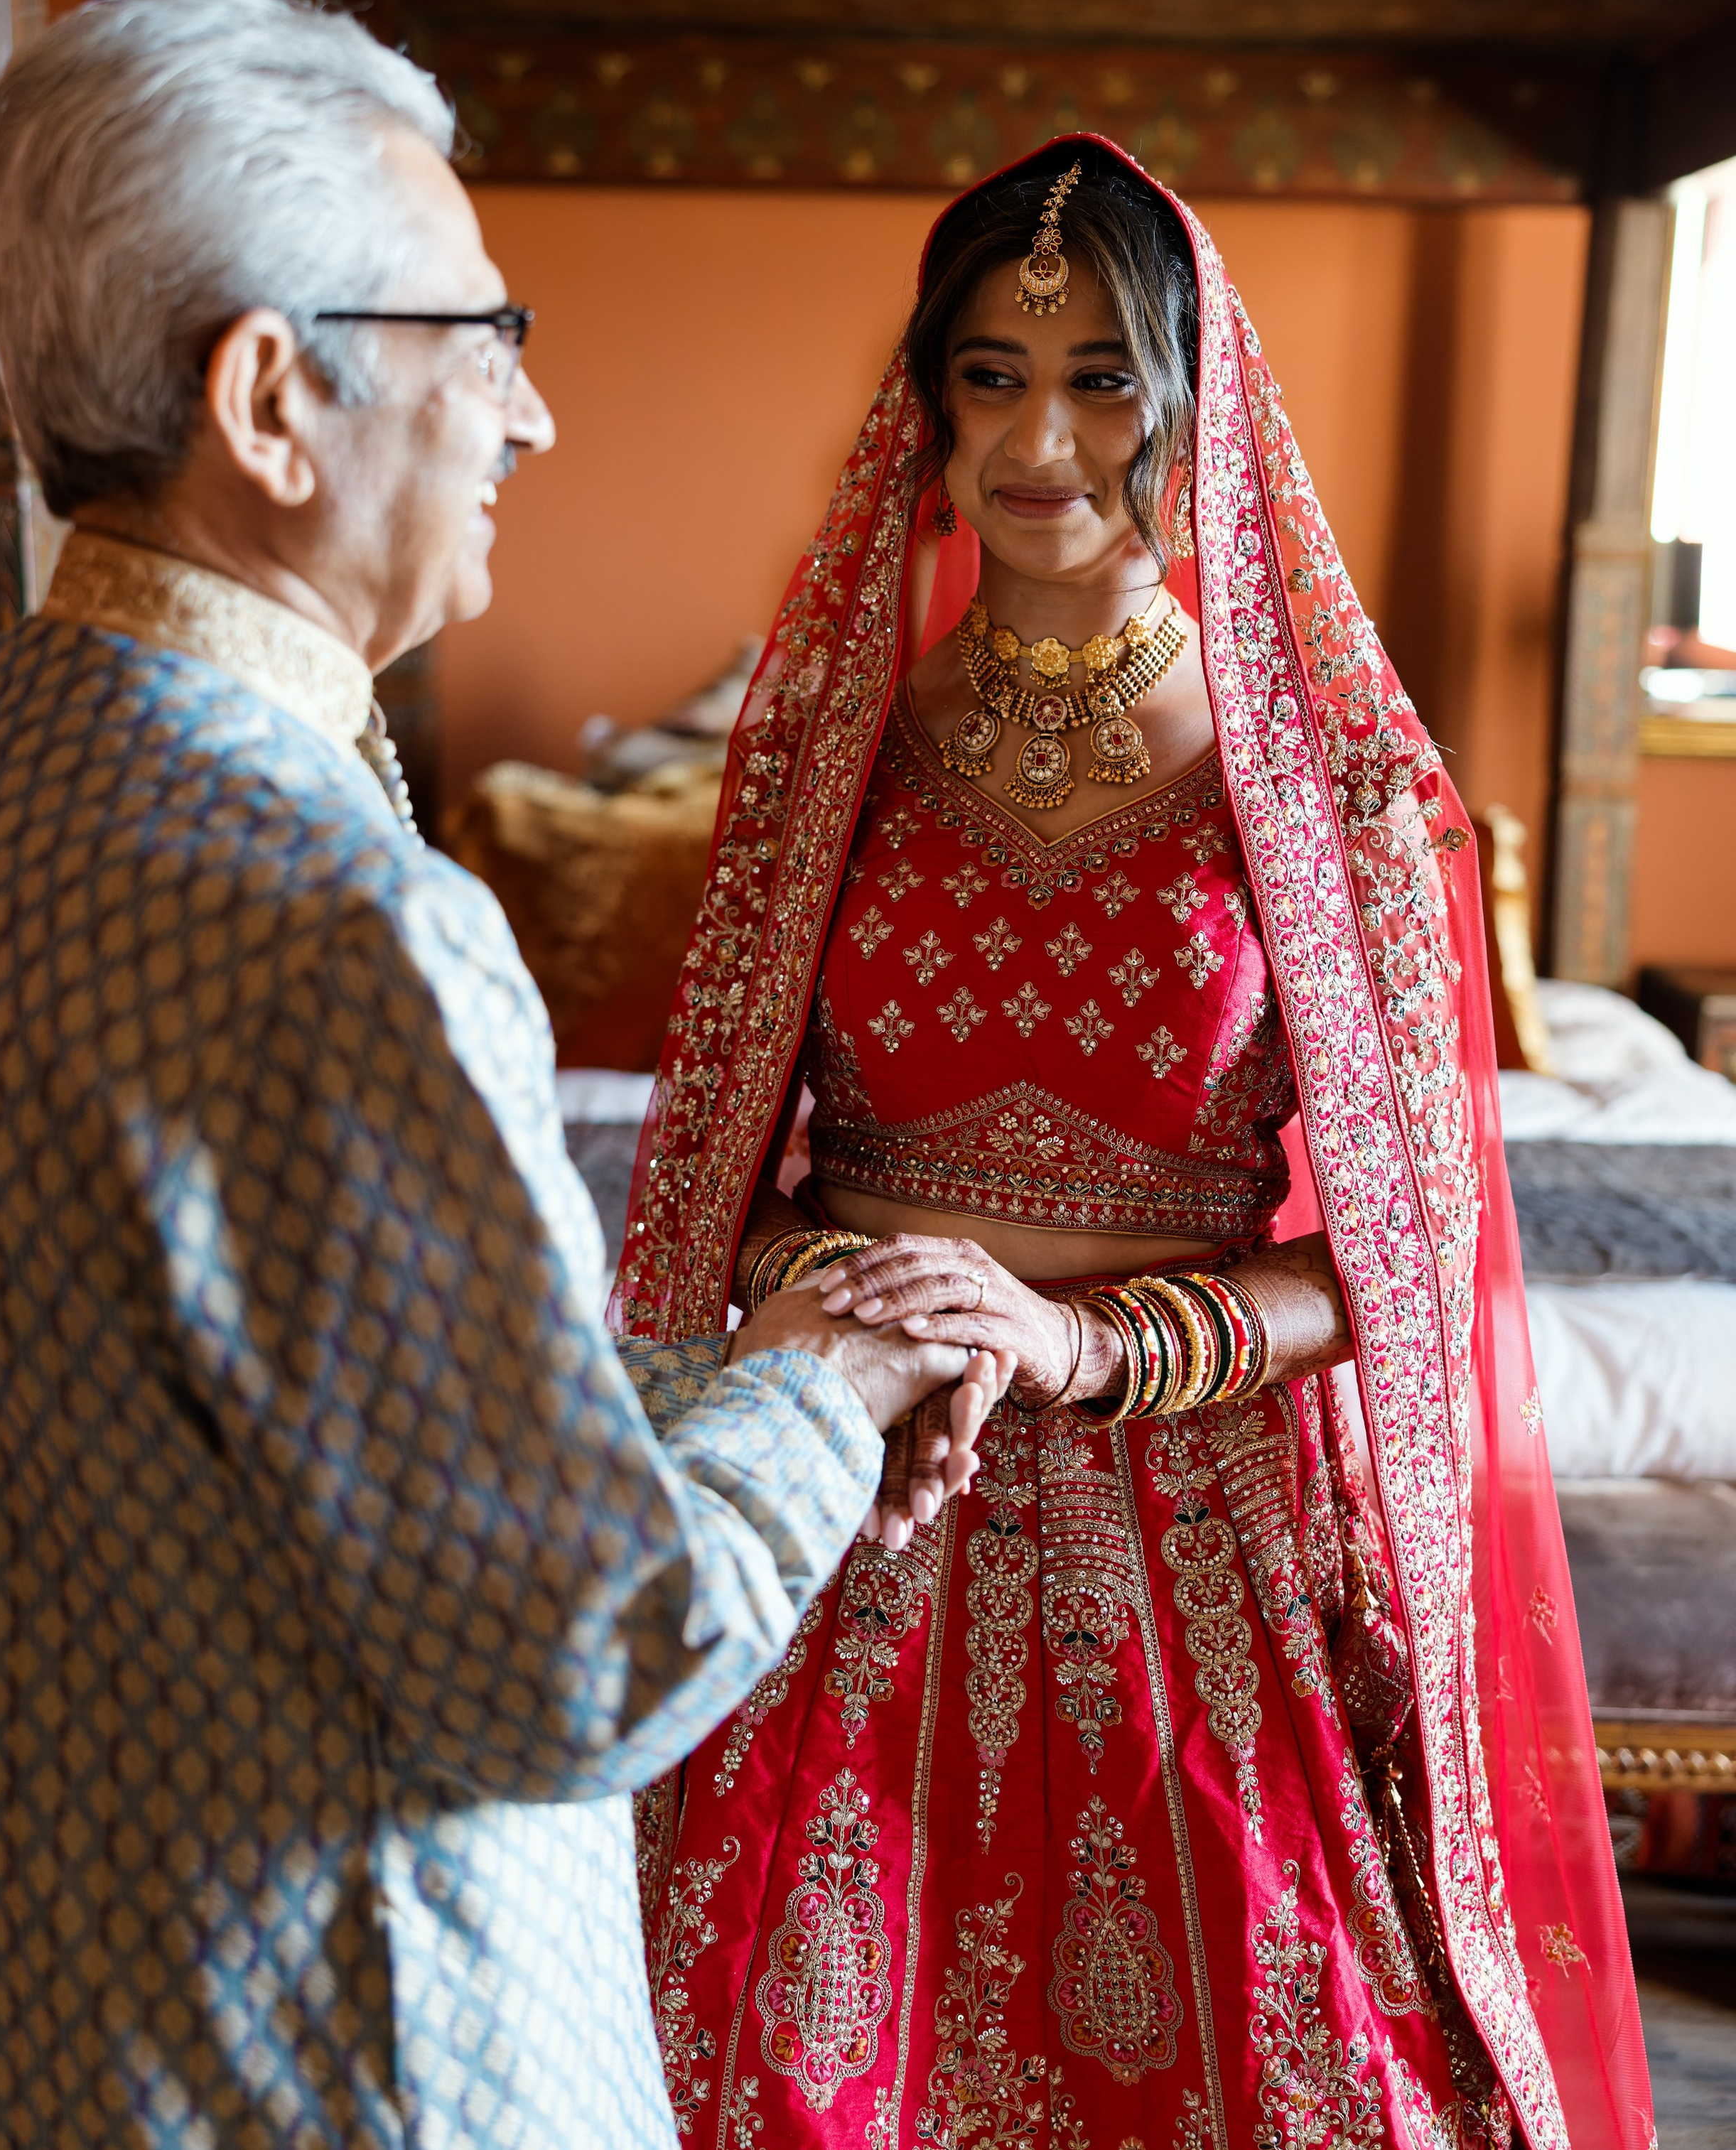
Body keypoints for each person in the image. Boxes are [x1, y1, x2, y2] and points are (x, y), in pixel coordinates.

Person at [0, 0, 1003, 2150]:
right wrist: (833, 1385)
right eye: (483, 338)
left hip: (19, 2016)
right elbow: (575, 1657)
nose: (533, 421)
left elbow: (266, 1433)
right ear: (270, 400)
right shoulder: (345, 918)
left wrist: (742, 1352)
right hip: (355, 2052)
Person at [617, 138, 1653, 2150]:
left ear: (1196, 402)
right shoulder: (832, 739)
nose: (1042, 437)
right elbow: (702, 1187)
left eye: (1103, 376)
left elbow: (1405, 1262)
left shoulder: (1332, 780)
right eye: (991, 374)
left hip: (1189, 1538)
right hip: (863, 1500)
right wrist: (848, 1298)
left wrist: (1085, 1342)